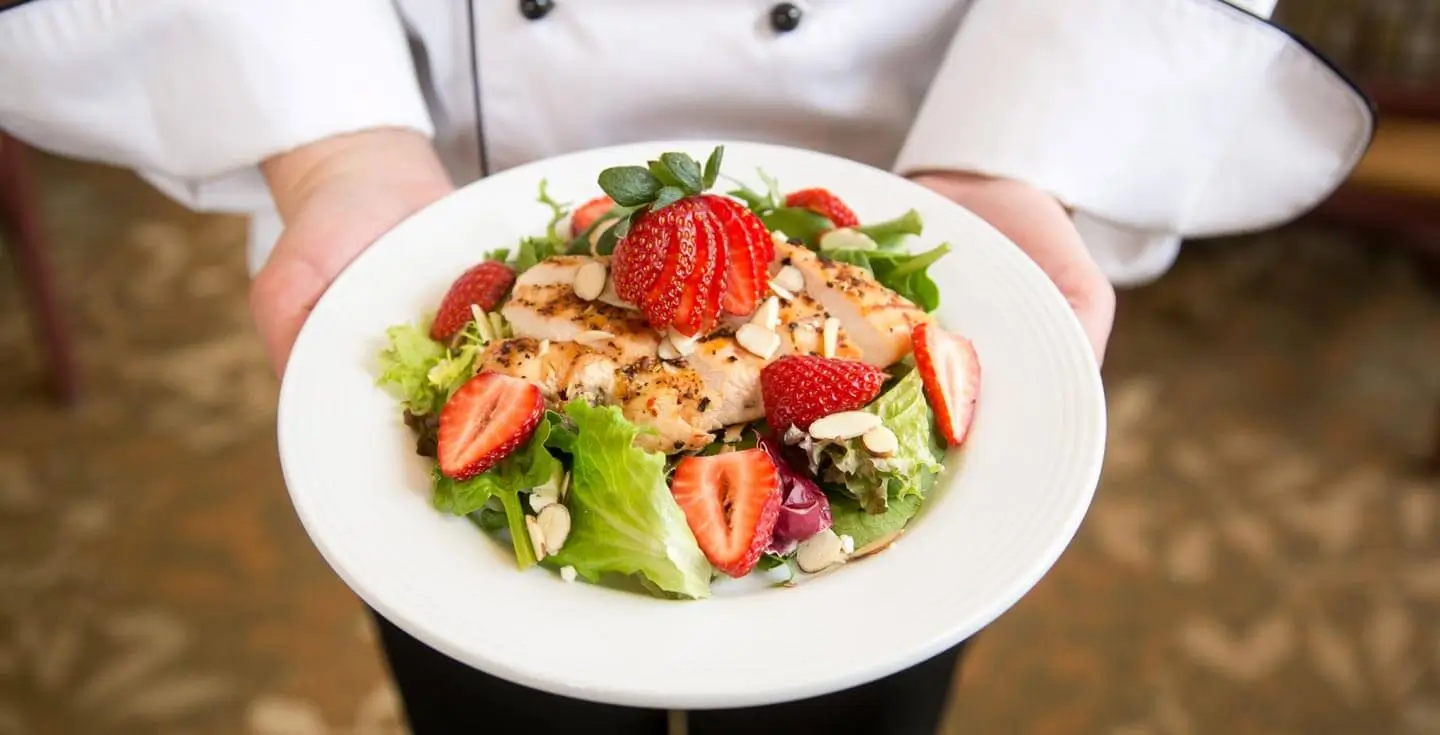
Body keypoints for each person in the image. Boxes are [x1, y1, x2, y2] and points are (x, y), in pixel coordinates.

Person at [1, 1, 1373, 732]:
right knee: (500, 712)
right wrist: (334, 142)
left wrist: (1020, 147)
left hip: (914, 102)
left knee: (844, 718)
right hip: (444, 153)